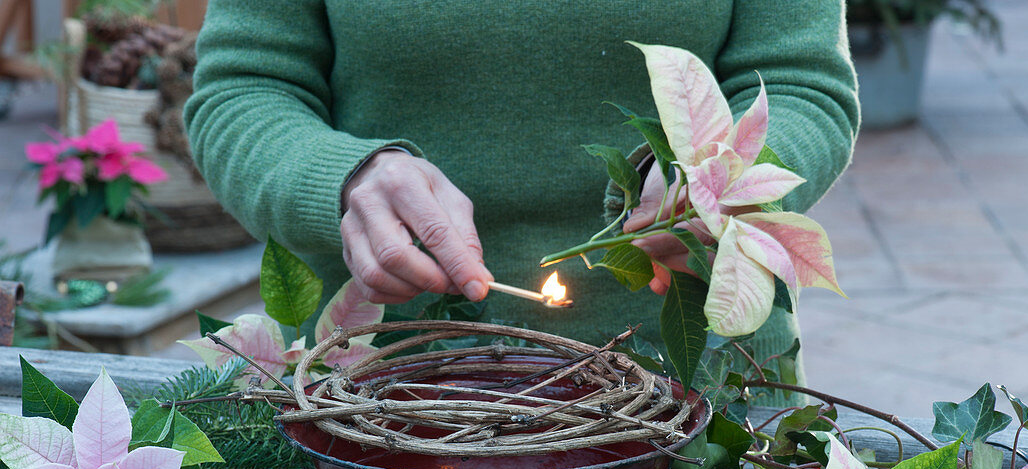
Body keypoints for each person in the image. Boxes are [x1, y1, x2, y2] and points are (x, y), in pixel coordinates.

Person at [184, 1, 858, 388]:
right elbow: (243, 90)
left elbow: (804, 88)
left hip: (697, 387)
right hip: (371, 392)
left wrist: (716, 178)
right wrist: (340, 176)